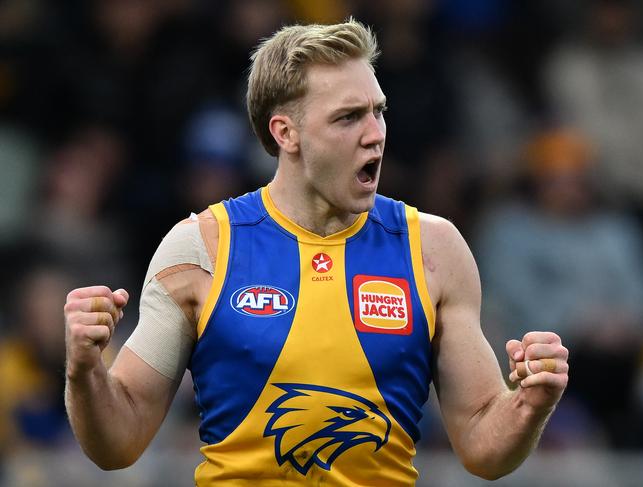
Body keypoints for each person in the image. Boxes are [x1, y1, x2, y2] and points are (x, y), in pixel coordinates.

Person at [64, 19, 569, 485]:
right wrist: (84, 370)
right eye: (349, 117)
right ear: (286, 133)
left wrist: (530, 403)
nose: (375, 135)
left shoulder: (433, 248)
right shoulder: (201, 248)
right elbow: (119, 441)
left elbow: (483, 446)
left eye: (378, 112)